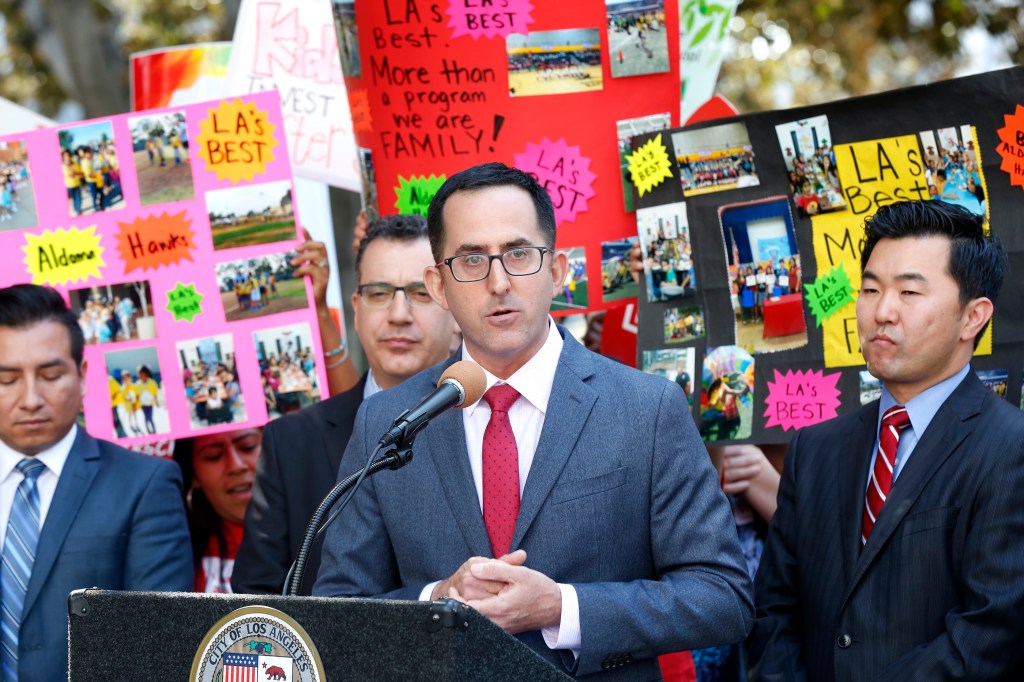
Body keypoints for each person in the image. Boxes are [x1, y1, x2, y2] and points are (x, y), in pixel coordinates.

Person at [313, 163, 752, 678]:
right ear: (438, 284)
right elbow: (337, 612)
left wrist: (562, 609)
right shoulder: (388, 421)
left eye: (519, 254)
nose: (498, 283)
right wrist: (439, 600)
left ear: (558, 269)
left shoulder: (645, 408)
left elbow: (722, 595)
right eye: (472, 260)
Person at [748, 200, 1024, 681]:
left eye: (910, 292)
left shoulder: (1008, 448)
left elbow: (989, 633)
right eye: (871, 289)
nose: (882, 311)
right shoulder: (815, 448)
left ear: (973, 316)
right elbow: (774, 611)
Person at [232, 214, 457, 595]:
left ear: (455, 310)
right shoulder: (290, 443)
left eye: (421, 294)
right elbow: (258, 597)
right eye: (378, 292)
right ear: (355, 307)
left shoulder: (490, 426)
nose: (399, 315)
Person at [0, 284, 192, 681]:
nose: (31, 398)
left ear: (82, 375)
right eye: (7, 381)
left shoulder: (144, 485)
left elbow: (159, 645)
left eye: (51, 375)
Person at [174, 428, 262, 593]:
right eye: (213, 455)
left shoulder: (318, 538)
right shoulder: (172, 554)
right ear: (193, 475)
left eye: (247, 447)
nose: (236, 466)